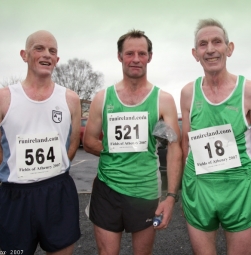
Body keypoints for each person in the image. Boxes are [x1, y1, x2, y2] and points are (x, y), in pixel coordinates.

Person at [83, 30, 182, 255]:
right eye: (129, 53)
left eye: (141, 53)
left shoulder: (163, 100)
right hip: (108, 188)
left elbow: (175, 147)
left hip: (145, 191)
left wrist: (171, 197)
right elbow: (88, 142)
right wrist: (118, 151)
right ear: (120, 56)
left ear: (150, 56)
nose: (136, 59)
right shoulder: (102, 98)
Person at [0, 30, 81, 254]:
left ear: (57, 59)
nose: (47, 55)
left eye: (52, 51)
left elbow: (72, 145)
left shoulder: (70, 99)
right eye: (39, 48)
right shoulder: (2, 98)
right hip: (14, 196)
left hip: (58, 192)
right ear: (24, 55)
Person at [181, 19, 251, 255]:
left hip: (239, 189)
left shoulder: (248, 91)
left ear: (229, 48)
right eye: (203, 44)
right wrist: (183, 186)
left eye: (216, 42)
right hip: (199, 187)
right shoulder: (189, 92)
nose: (210, 49)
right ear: (195, 53)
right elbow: (185, 143)